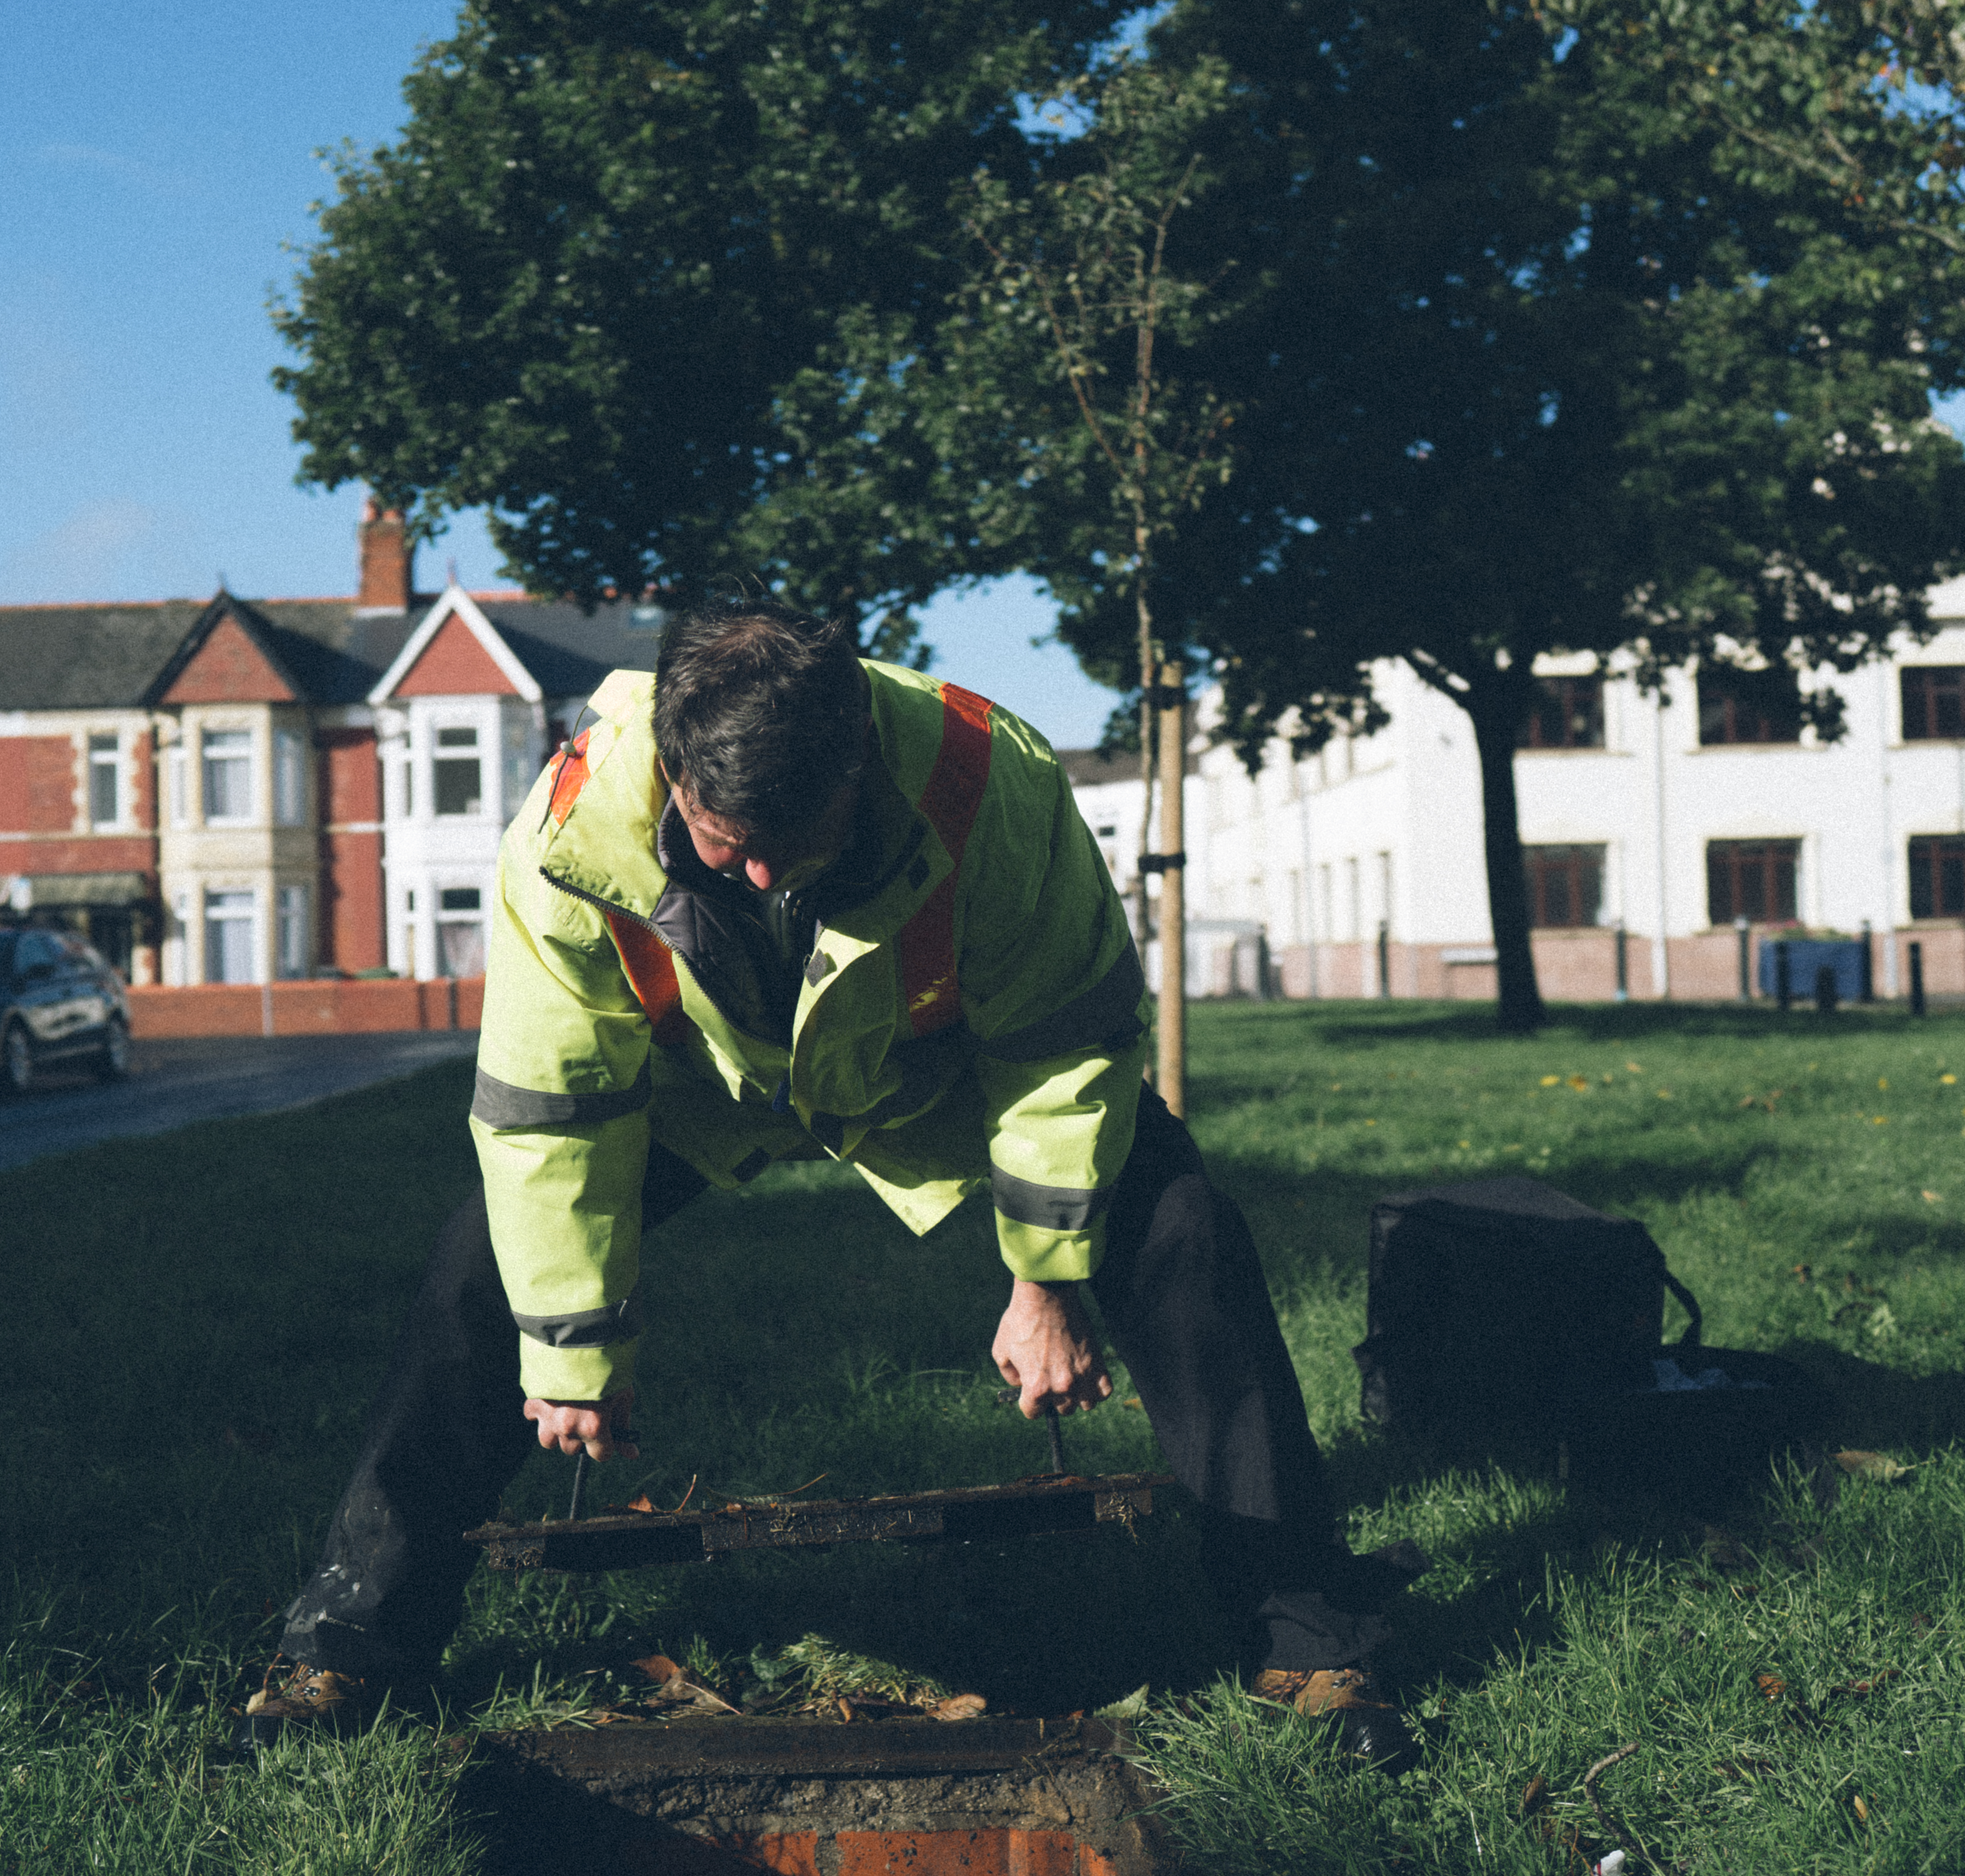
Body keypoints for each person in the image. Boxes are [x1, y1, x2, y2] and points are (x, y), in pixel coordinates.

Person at [246, 605, 1404, 1759]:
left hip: (930, 1070)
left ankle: (1307, 1639)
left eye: (789, 841)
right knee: (481, 1267)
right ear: (673, 767)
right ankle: (350, 1649)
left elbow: (1061, 1048)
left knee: (1183, 1229)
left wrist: (1045, 1280)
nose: (754, 872)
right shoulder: (567, 830)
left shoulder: (991, 781)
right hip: (695, 1082)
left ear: (858, 763)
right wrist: (571, 1351)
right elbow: (553, 1114)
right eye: (719, 839)